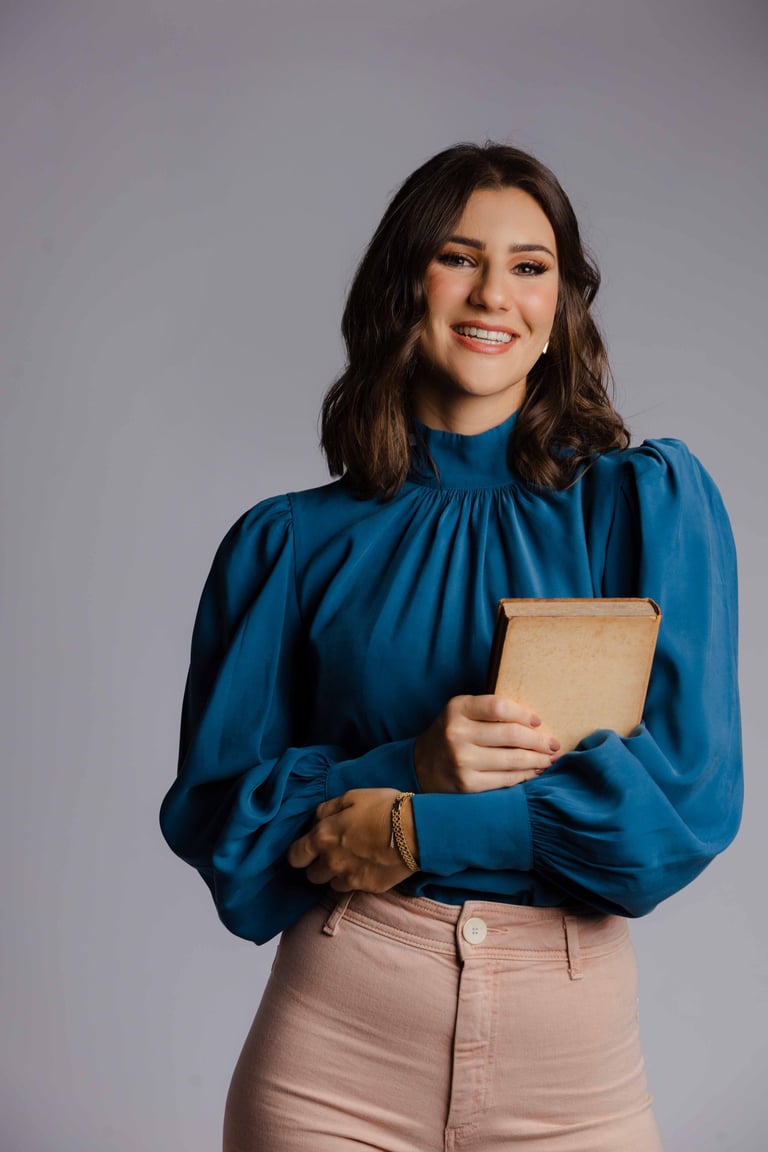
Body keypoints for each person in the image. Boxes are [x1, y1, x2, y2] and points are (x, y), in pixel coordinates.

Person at [159, 142, 742, 1151]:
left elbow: (680, 813)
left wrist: (412, 831)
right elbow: (232, 848)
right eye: (459, 256)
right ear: (405, 280)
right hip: (333, 1068)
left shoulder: (643, 509)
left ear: (561, 305)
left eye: (530, 266)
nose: (493, 294)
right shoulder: (289, 545)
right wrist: (410, 765)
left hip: (574, 1087)